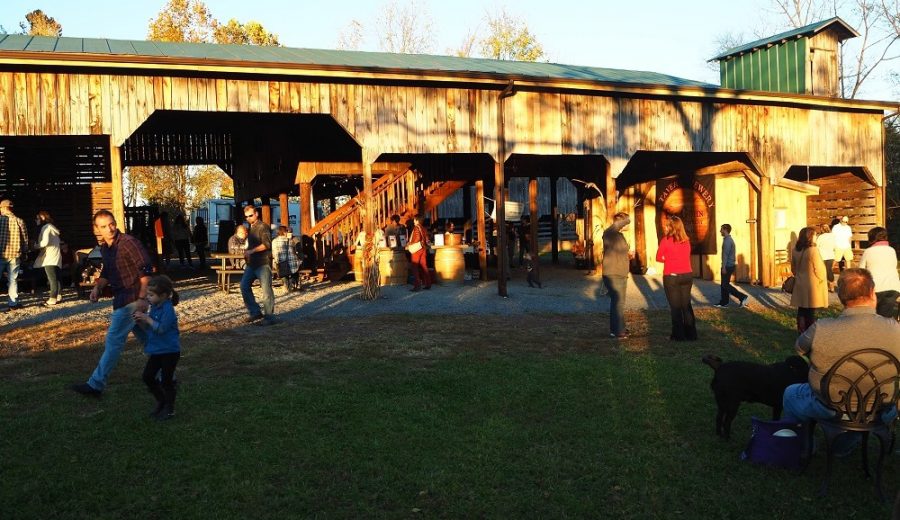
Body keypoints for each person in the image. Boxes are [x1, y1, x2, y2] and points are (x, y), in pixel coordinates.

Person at [782, 268, 900, 453]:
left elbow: (799, 348)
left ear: (840, 296)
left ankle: (802, 446)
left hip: (829, 405)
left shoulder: (821, 328)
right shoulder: (895, 329)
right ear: (872, 293)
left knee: (790, 394)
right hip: (881, 408)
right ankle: (842, 446)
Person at [71, 210, 153, 397]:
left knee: (113, 341)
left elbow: (146, 270)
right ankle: (165, 376)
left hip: (132, 299)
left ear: (115, 223)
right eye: (104, 226)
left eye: (111, 224)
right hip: (122, 298)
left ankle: (95, 385)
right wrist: (97, 288)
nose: (109, 229)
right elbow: (107, 271)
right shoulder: (105, 248)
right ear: (96, 229)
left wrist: (142, 298)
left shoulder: (129, 243)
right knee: (150, 340)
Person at [132, 275, 181, 420]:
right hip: (157, 350)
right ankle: (161, 401)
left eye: (151, 295)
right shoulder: (154, 307)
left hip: (169, 351)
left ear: (164, 295)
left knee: (166, 381)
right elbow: (150, 328)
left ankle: (169, 409)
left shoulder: (168, 309)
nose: (148, 298)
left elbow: (161, 329)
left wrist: (147, 318)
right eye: (147, 294)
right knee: (148, 377)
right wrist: (140, 321)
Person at [656, 215, 697, 341]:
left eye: (667, 225)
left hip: (672, 276)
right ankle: (691, 334)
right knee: (686, 305)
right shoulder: (686, 240)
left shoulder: (666, 240)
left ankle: (678, 335)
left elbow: (659, 257)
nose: (665, 227)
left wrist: (667, 258)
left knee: (676, 307)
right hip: (687, 275)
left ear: (671, 227)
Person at [240, 205, 277, 326]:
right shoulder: (251, 228)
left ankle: (269, 317)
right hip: (252, 264)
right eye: (246, 217)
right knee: (244, 286)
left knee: (266, 291)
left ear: (256, 214)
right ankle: (255, 312)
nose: (248, 218)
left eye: (250, 215)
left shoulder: (263, 227)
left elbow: (267, 244)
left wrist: (251, 251)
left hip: (263, 263)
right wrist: (247, 252)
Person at [790, 226, 828, 334]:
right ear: (810, 237)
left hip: (800, 282)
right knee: (810, 311)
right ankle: (810, 333)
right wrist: (822, 279)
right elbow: (819, 269)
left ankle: (801, 331)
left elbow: (793, 268)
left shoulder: (795, 250)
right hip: (812, 284)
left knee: (801, 309)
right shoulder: (813, 250)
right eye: (815, 235)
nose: (816, 237)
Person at [858, 226, 900, 318]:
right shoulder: (892, 250)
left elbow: (861, 271)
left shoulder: (868, 251)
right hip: (893, 288)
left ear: (871, 238)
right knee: (886, 318)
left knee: (874, 318)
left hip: (875, 289)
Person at [602, 212, 631, 338]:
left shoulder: (613, 234)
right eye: (626, 222)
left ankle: (618, 328)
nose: (628, 225)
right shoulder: (612, 234)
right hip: (615, 273)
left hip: (616, 272)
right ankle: (618, 331)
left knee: (617, 302)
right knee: (618, 302)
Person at [0, 199, 29, 312]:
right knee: (13, 280)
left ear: (3, 208)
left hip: (0, 254)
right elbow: (25, 239)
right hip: (14, 255)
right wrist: (25, 252)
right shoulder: (19, 221)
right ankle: (13, 303)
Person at [714, 224, 748, 308]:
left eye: (721, 229)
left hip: (727, 266)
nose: (720, 231)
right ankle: (724, 302)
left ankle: (742, 297)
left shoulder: (727, 241)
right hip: (728, 265)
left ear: (725, 230)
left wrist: (724, 267)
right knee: (724, 285)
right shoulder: (727, 240)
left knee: (725, 285)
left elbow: (725, 255)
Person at [33, 210, 62, 306]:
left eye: (37, 219)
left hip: (50, 256)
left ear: (42, 218)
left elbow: (44, 242)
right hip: (56, 255)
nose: (36, 220)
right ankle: (58, 296)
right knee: (56, 277)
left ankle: (52, 299)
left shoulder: (46, 228)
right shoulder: (52, 227)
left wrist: (35, 246)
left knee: (51, 278)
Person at [408, 214, 432, 292]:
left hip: (417, 249)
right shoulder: (423, 228)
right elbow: (427, 239)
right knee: (424, 266)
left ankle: (417, 285)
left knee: (414, 267)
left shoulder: (416, 227)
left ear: (417, 220)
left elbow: (417, 238)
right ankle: (428, 283)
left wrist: (410, 243)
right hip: (423, 248)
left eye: (414, 219)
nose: (413, 221)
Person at [273, 226, 300, 292]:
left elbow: (274, 254)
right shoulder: (290, 240)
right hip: (293, 264)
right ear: (284, 232)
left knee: (281, 270)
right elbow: (295, 251)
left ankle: (286, 285)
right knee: (295, 269)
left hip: (281, 264)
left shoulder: (274, 241)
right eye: (286, 231)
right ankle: (293, 283)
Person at [817, 223, 836, 292]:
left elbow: (816, 246)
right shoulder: (833, 236)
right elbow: (835, 246)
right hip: (831, 256)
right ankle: (832, 286)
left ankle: (824, 286)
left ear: (821, 229)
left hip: (822, 256)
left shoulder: (820, 237)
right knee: (829, 270)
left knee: (822, 271)